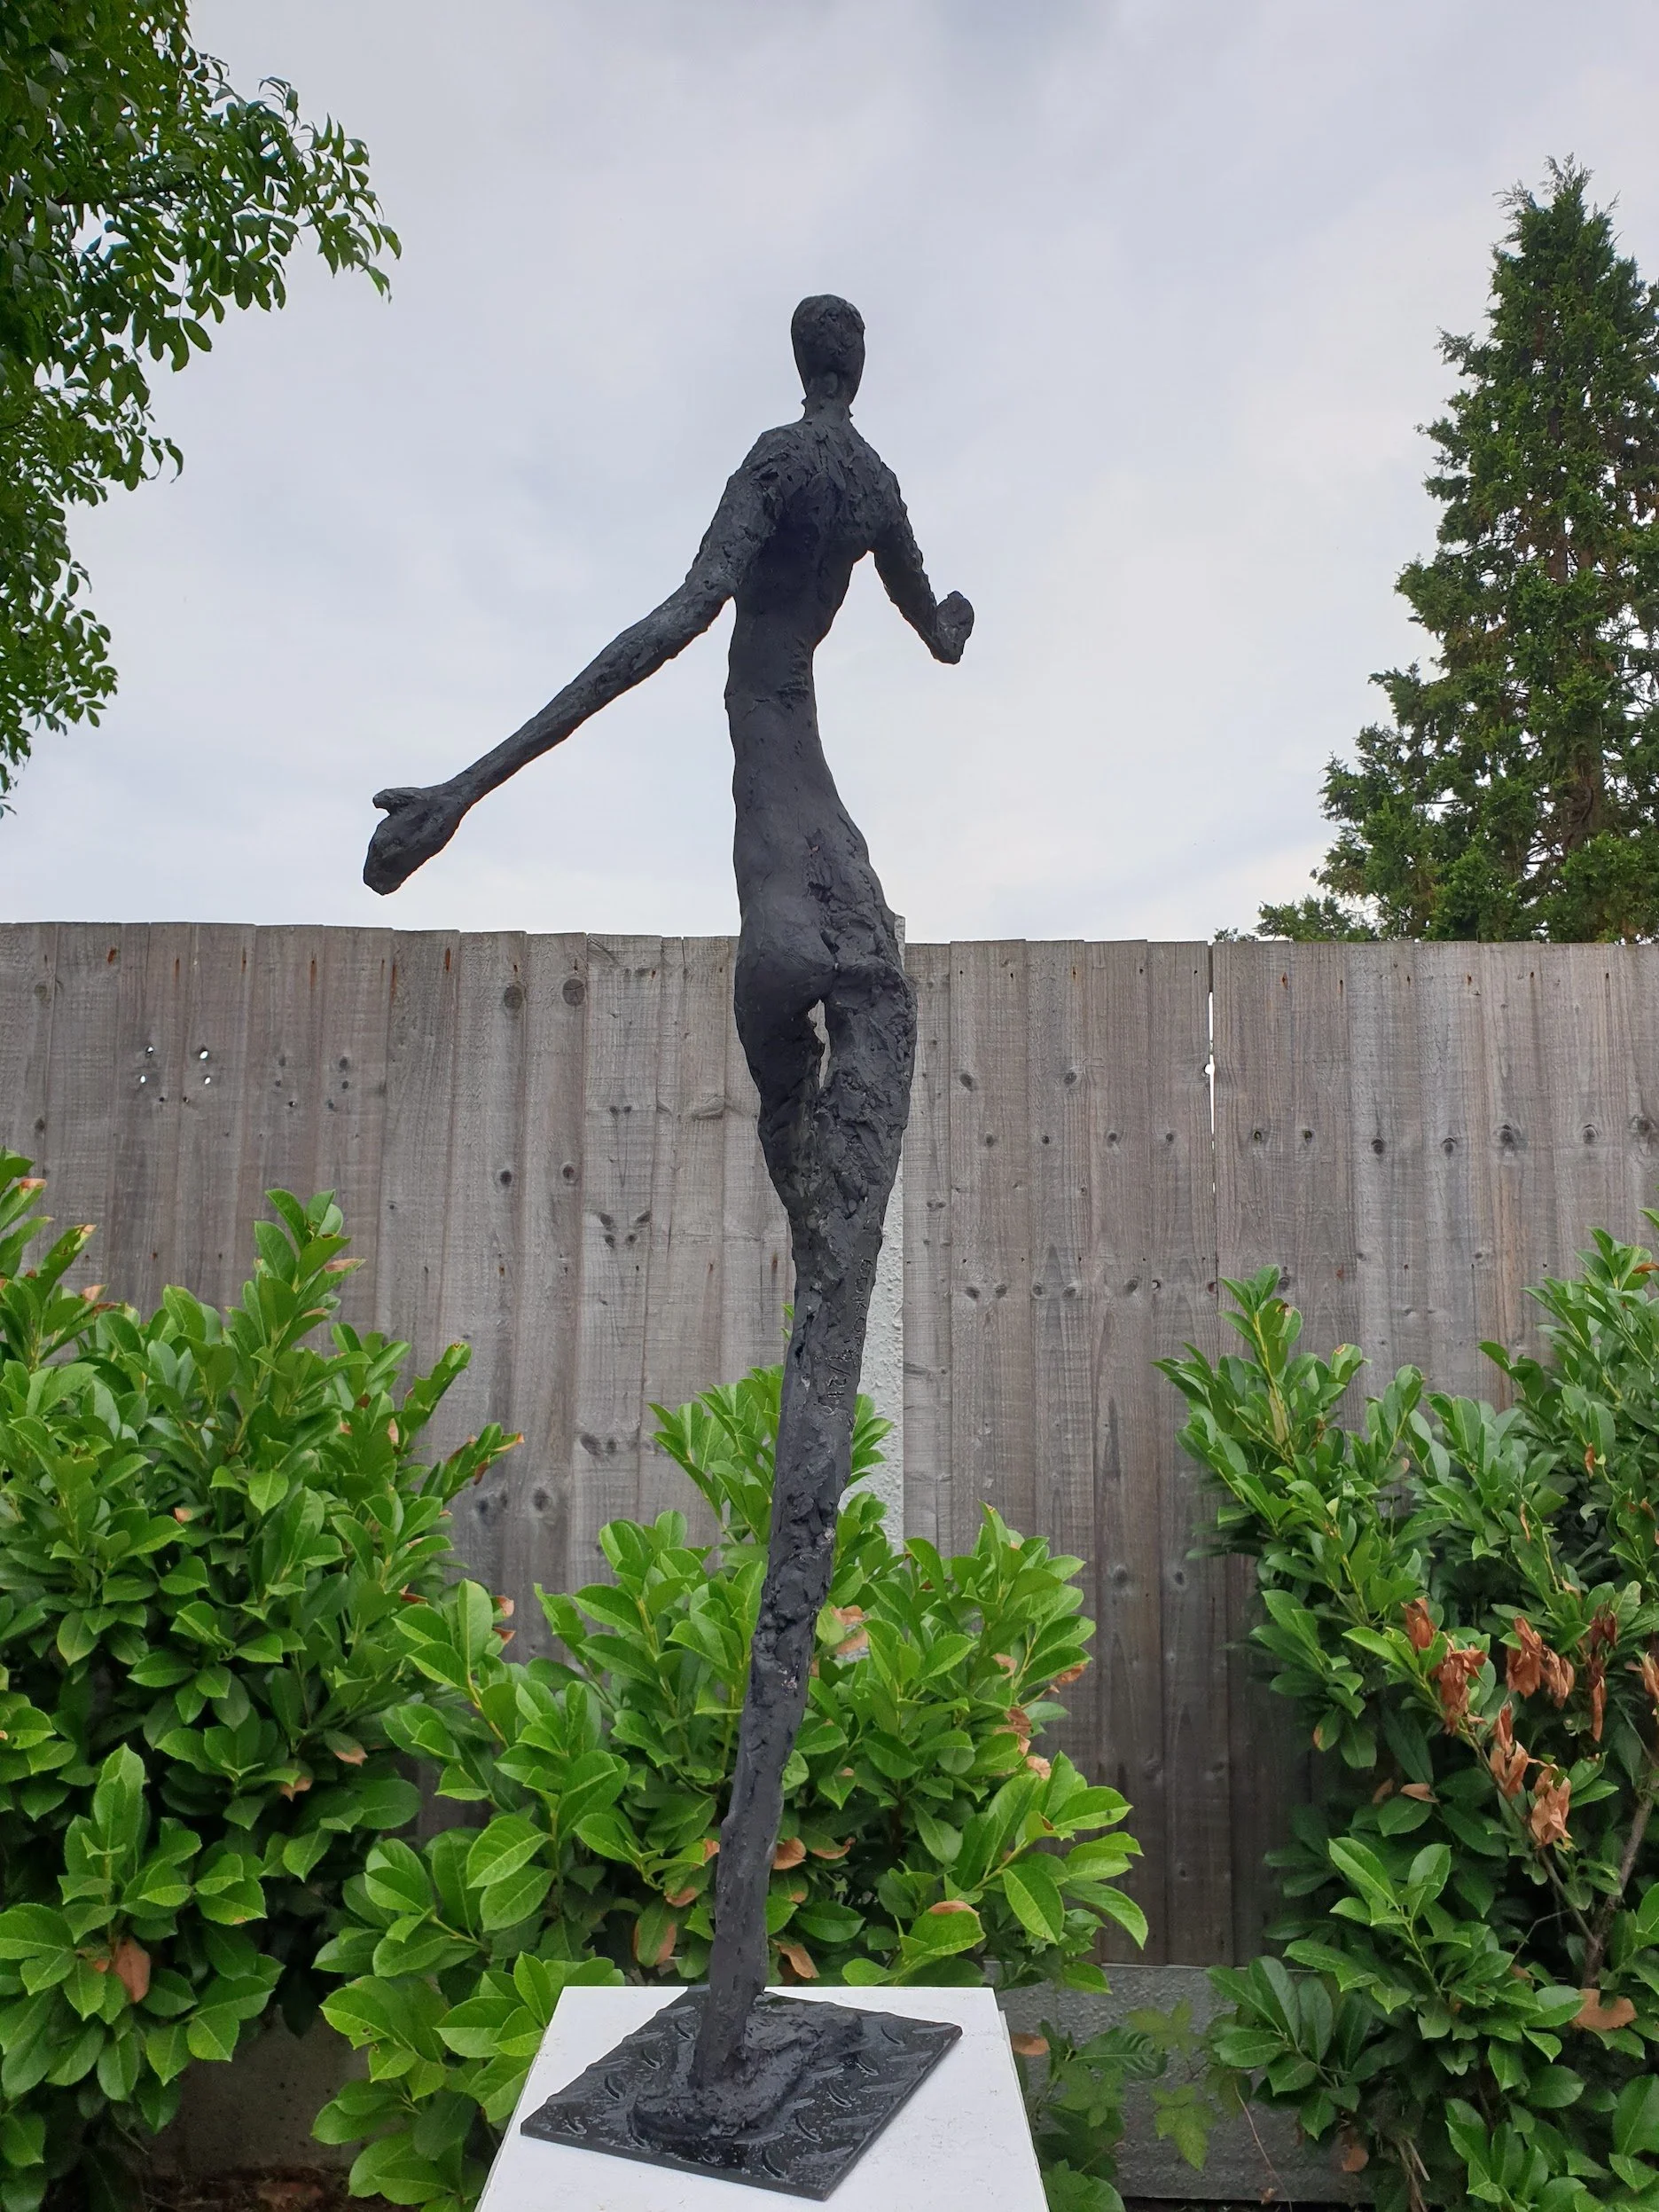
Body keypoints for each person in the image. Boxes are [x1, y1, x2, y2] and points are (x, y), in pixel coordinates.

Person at [364, 294, 973, 2098]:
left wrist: (465, 785)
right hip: (857, 911)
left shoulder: (777, 468)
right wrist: (948, 618)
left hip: (784, 895)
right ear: (864, 369)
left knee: (819, 1280)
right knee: (824, 1300)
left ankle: (727, 2001)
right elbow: (936, 624)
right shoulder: (869, 481)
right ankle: (728, 1992)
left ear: (795, 361)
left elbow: (668, 627)